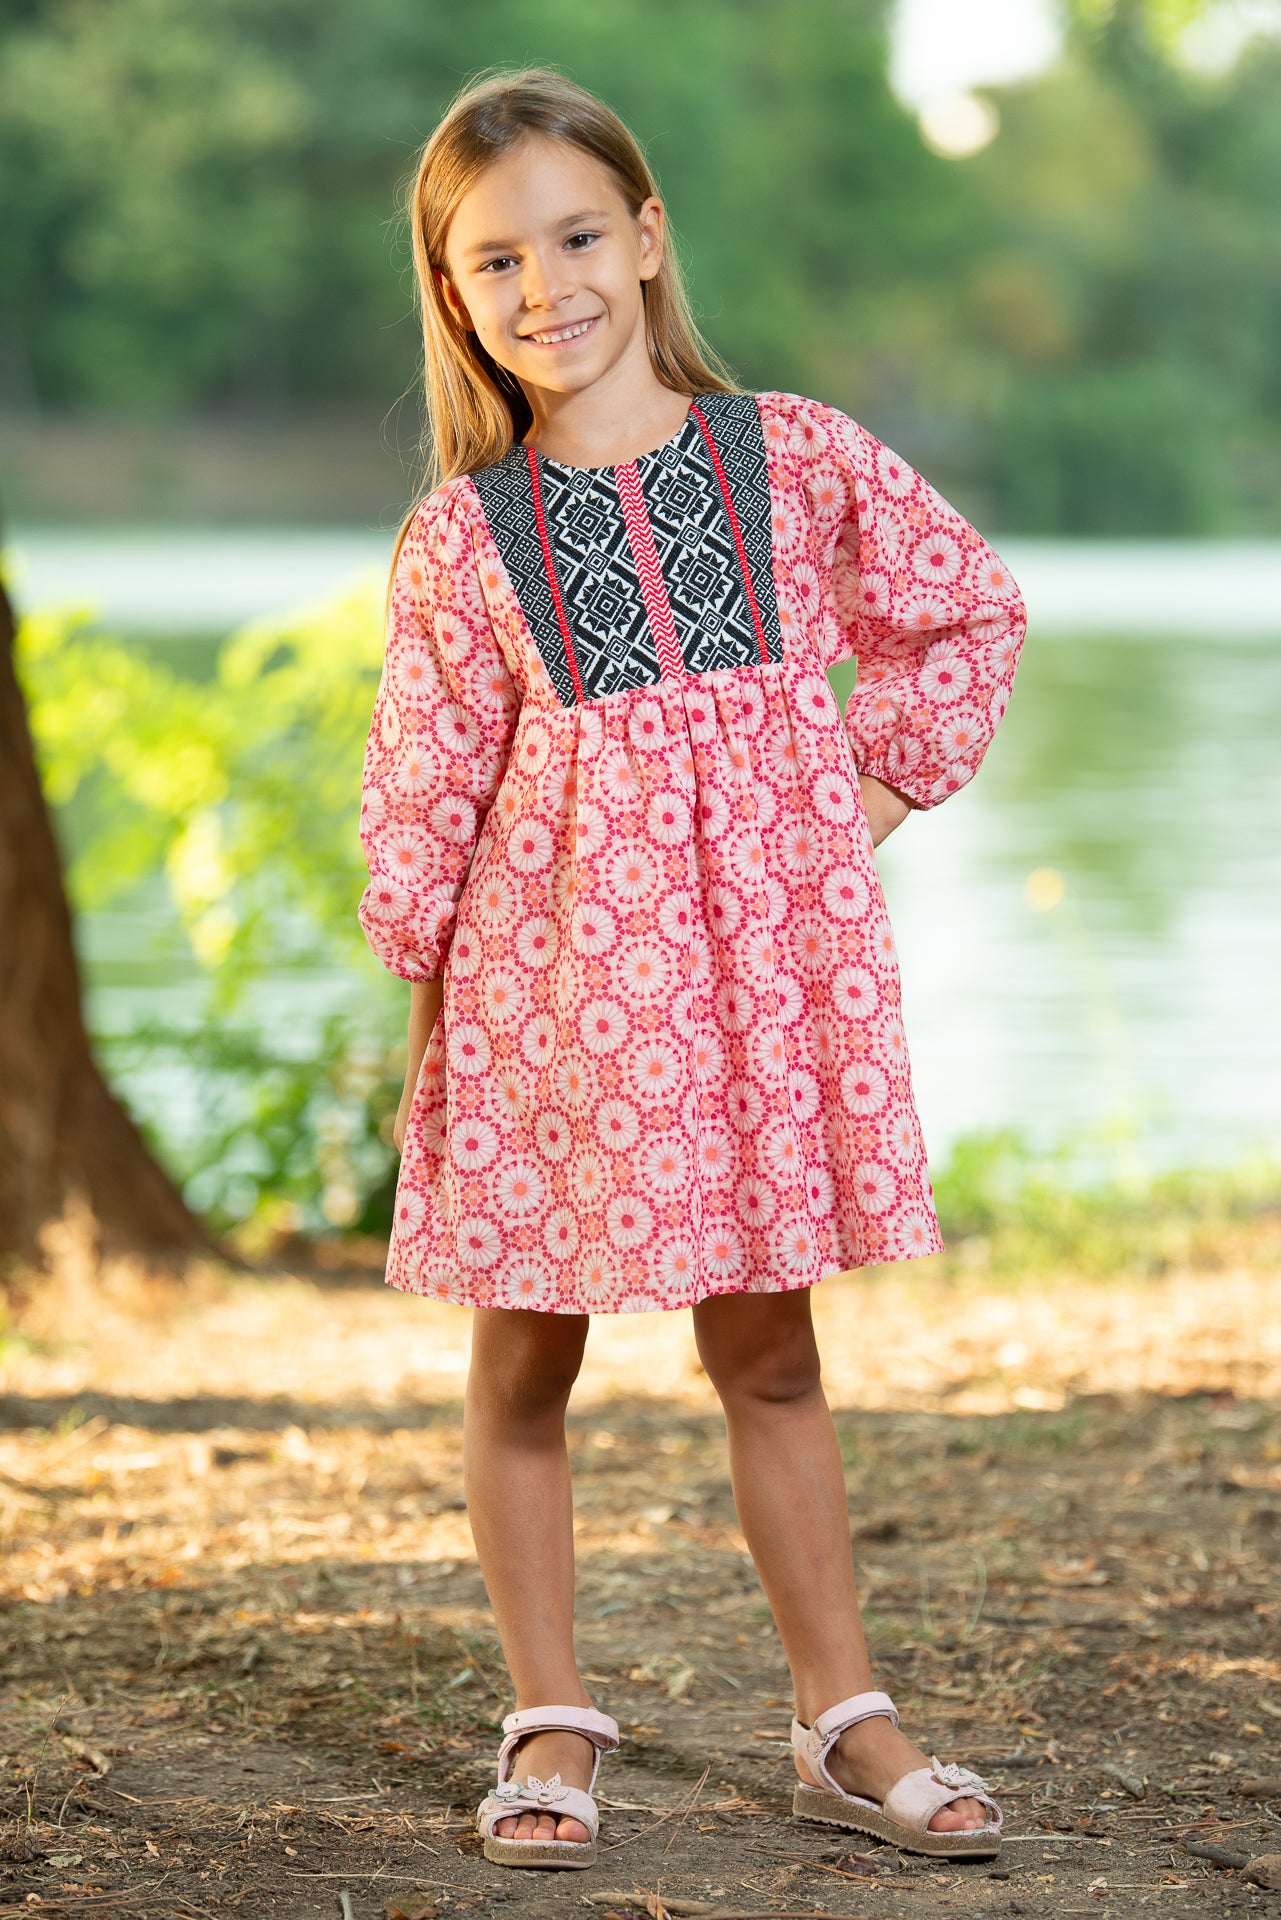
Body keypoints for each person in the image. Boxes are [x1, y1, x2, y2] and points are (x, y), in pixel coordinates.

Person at [357, 65, 1024, 1874]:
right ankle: (548, 1716)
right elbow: (424, 793)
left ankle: (841, 1719)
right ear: (453, 294)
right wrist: (427, 1003)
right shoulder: (463, 538)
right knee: (523, 1363)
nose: (543, 285)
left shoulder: (793, 457)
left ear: (647, 240)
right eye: (494, 260)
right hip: (543, 1003)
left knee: (770, 1352)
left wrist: (850, 802)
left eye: (576, 236)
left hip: (756, 992)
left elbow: (964, 609)